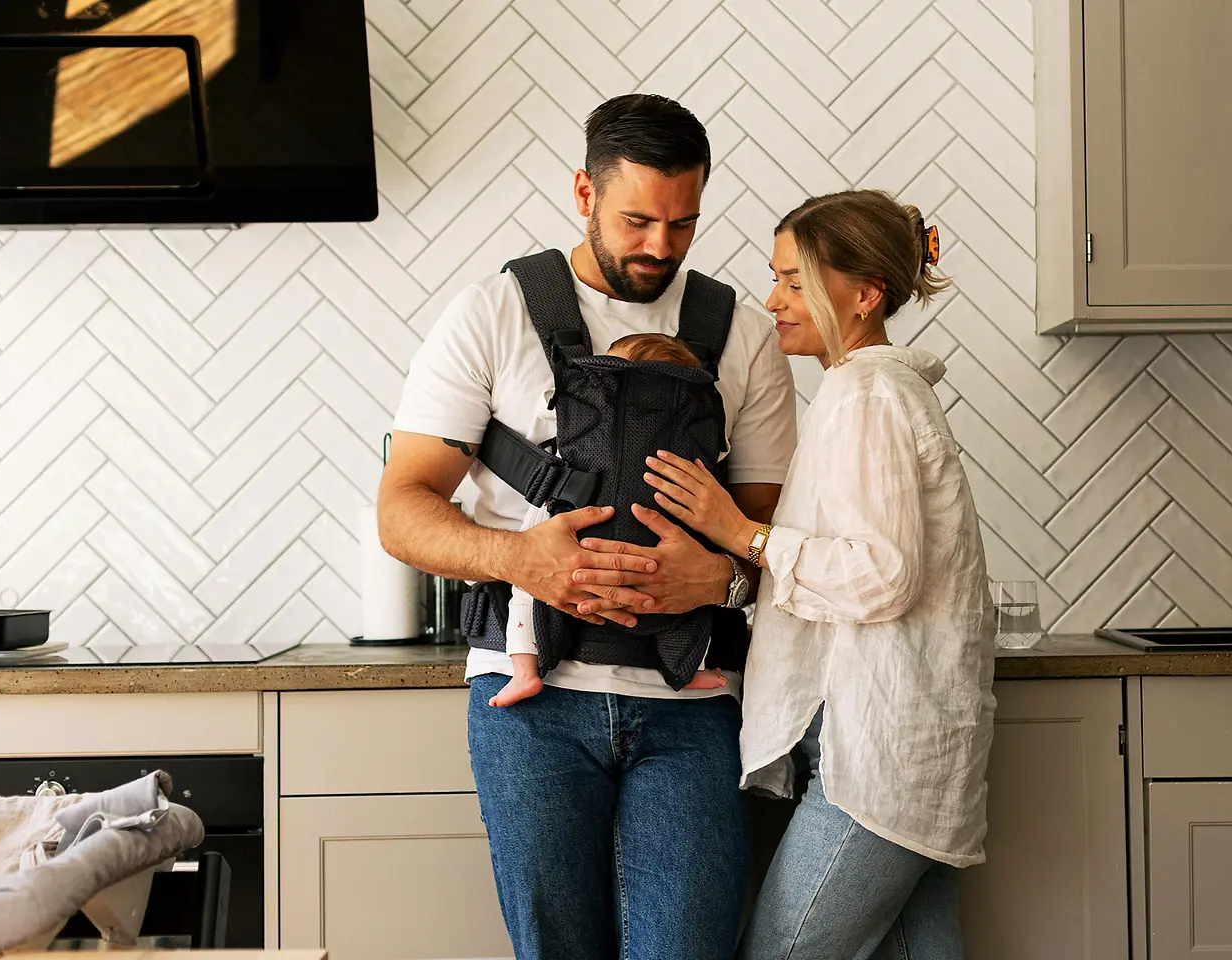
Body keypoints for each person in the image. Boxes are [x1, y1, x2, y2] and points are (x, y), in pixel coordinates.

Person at [378, 94, 797, 960]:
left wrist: (718, 579)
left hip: (693, 702)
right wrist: (522, 560)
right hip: (529, 706)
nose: (660, 248)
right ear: (584, 191)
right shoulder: (492, 315)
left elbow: (772, 541)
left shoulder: (742, 337)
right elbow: (403, 509)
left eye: (683, 224)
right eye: (638, 219)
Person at [639, 189, 996, 960]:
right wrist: (730, 574)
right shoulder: (862, 390)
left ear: (864, 294)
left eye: (796, 283)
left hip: (877, 755)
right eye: (777, 279)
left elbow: (880, 576)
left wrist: (740, 532)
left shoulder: (868, 395)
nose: (773, 301)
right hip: (893, 748)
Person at [492, 333, 730, 709]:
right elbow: (721, 450)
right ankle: (688, 669)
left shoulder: (584, 408)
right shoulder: (696, 419)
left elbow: (546, 423)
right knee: (689, 605)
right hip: (662, 536)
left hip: (577, 512)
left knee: (525, 589)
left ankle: (524, 671)